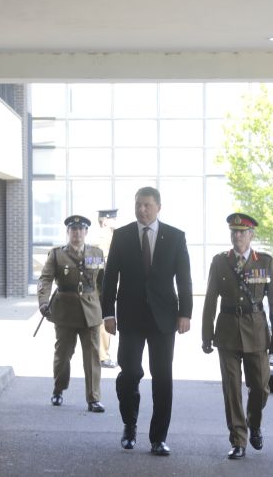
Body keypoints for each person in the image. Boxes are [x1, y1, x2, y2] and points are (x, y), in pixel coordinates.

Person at [101, 186, 192, 456]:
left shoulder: (175, 237)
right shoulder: (122, 236)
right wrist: (108, 313)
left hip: (164, 318)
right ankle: (130, 425)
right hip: (130, 317)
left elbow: (184, 279)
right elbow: (110, 278)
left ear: (158, 207)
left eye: (147, 205)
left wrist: (185, 313)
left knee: (162, 378)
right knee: (129, 374)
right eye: (138, 205)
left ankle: (158, 438)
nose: (142, 209)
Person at [201, 213, 273, 459]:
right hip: (227, 333)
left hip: (256, 332)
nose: (237, 236)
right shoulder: (220, 262)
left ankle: (253, 423)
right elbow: (210, 300)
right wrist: (206, 334)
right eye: (234, 232)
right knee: (231, 389)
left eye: (242, 232)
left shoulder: (264, 262)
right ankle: (238, 439)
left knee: (260, 387)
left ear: (251, 235)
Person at [37, 215, 106, 412]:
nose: (77, 233)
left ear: (86, 232)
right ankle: (58, 389)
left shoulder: (96, 253)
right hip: (65, 312)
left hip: (90, 312)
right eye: (73, 229)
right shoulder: (57, 255)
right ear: (68, 232)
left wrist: (105, 308)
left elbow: (103, 282)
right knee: (63, 355)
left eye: (80, 229)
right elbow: (45, 279)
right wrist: (43, 302)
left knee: (92, 357)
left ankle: (93, 398)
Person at [96, 209, 118, 369]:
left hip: (104, 285)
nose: (115, 221)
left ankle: (102, 354)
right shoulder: (103, 238)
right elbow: (99, 264)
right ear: (104, 221)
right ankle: (102, 356)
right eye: (112, 219)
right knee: (103, 320)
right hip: (101, 286)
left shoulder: (111, 236)